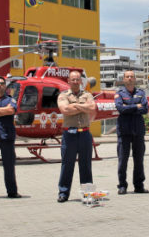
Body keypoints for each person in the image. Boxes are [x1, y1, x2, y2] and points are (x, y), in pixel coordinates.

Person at [57, 70, 97, 203]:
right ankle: (63, 192)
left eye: (77, 79)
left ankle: (88, 193)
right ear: (68, 81)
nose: (75, 82)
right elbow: (65, 110)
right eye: (72, 79)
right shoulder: (63, 95)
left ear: (81, 81)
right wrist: (82, 107)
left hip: (85, 133)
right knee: (67, 165)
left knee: (86, 165)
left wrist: (74, 105)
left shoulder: (87, 94)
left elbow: (92, 107)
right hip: (69, 134)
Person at [114, 70, 149, 195]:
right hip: (124, 131)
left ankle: (139, 185)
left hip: (138, 131)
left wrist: (129, 107)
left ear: (135, 79)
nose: (129, 78)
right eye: (127, 77)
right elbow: (120, 109)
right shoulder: (119, 94)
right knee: (123, 160)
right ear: (123, 79)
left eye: (132, 77)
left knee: (139, 159)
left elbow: (145, 109)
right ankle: (122, 185)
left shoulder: (141, 93)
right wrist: (136, 107)